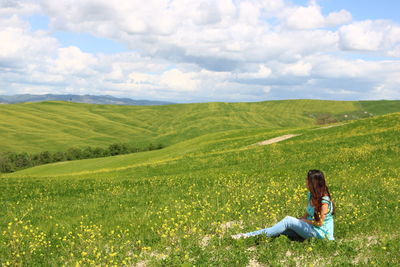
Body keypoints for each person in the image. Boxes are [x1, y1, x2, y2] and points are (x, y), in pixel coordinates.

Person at [231, 170, 335, 241]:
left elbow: (320, 223)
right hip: (310, 228)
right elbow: (308, 212)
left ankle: (247, 236)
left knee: (288, 221)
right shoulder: (311, 195)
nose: (305, 182)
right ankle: (251, 236)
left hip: (321, 234)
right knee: (283, 230)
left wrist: (303, 221)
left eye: (307, 180)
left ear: (314, 183)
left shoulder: (324, 201)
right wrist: (300, 219)